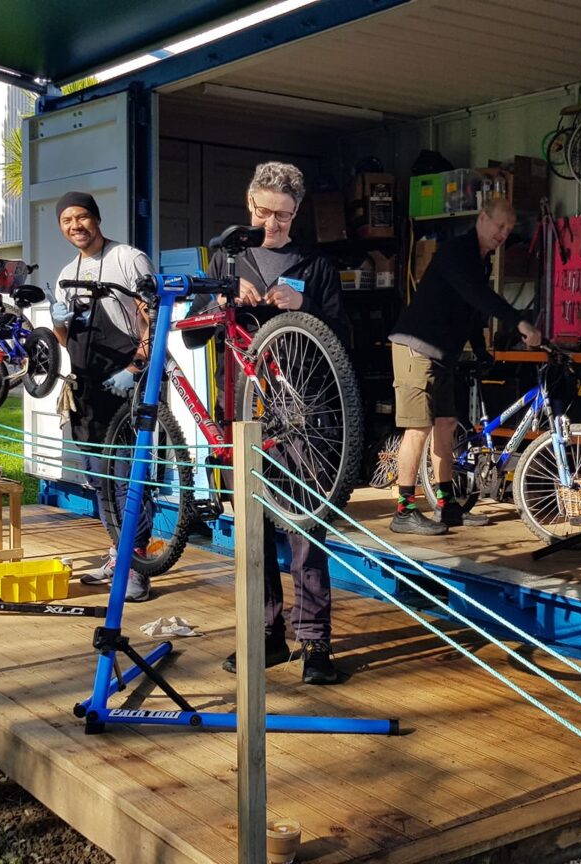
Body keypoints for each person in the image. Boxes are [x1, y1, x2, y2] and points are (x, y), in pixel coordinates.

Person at [207, 161, 343, 685]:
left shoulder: (316, 263)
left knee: (307, 528)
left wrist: (304, 303)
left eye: (284, 215)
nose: (273, 224)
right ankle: (266, 637)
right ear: (249, 204)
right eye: (265, 212)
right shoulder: (226, 254)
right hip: (244, 411)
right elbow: (196, 334)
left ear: (298, 212)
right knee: (255, 530)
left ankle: (314, 643)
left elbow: (343, 335)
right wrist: (222, 300)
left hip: (305, 413)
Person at [387, 197, 542, 536]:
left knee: (446, 424)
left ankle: (447, 506)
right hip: (416, 347)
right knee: (418, 428)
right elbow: (477, 296)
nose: (503, 233)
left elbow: (471, 309)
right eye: (500, 225)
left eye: (509, 229)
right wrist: (518, 322)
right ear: (482, 218)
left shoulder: (480, 261)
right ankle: (404, 511)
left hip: (443, 354)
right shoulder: (458, 251)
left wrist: (481, 350)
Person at [46, 191, 158, 603]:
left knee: (129, 479)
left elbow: (154, 317)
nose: (76, 226)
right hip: (87, 388)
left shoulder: (128, 259)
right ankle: (117, 553)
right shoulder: (65, 273)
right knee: (99, 479)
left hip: (126, 384)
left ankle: (138, 567)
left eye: (82, 217)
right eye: (67, 221)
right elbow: (64, 338)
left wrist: (134, 370)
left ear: (96, 218)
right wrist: (57, 323)